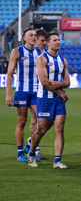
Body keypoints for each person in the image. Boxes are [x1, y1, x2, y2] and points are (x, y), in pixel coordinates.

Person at [27, 32, 70, 169]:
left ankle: (57, 160)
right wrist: (59, 91)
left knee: (60, 129)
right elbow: (44, 82)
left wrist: (61, 85)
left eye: (59, 39)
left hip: (58, 100)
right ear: (48, 43)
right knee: (41, 130)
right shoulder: (42, 59)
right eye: (55, 40)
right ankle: (31, 153)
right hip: (44, 99)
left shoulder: (63, 60)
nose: (58, 42)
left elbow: (68, 82)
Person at [5, 28, 42, 163]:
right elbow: (9, 74)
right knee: (22, 122)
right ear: (24, 38)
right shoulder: (17, 52)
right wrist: (8, 93)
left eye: (35, 35)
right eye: (31, 35)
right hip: (22, 92)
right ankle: (20, 152)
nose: (34, 37)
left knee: (42, 121)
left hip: (36, 92)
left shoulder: (39, 52)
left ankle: (29, 147)